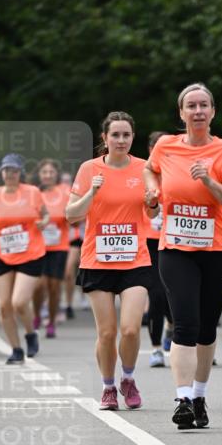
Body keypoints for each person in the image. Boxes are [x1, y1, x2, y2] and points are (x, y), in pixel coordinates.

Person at [143, 83, 222, 429]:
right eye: (192, 106)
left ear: (213, 112)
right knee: (185, 322)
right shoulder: (166, 146)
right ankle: (183, 398)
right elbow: (149, 169)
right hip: (174, 248)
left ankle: (200, 396)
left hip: (216, 250)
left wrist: (210, 183)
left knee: (205, 328)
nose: (198, 111)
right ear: (182, 113)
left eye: (204, 105)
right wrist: (153, 191)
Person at [66, 111, 152, 411]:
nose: (121, 140)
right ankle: (108, 386)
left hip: (135, 260)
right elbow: (71, 214)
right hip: (97, 260)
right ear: (105, 138)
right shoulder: (89, 169)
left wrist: (153, 200)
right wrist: (93, 190)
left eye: (126, 135)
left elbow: (152, 213)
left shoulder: (144, 168)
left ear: (132, 138)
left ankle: (127, 378)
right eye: (115, 135)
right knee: (106, 332)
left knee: (130, 329)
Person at [0, 153, 48, 364]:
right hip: (2, 254)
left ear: (20, 173)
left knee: (19, 302)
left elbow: (44, 214)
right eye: (7, 170)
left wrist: (43, 222)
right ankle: (16, 349)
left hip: (30, 253)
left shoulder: (32, 192)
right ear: (2, 173)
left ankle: (30, 333)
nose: (10, 174)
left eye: (14, 170)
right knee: (4, 305)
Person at [32, 159, 70, 338]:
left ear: (56, 175)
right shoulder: (33, 193)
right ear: (39, 175)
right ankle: (37, 314)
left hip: (59, 245)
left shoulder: (64, 193)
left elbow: (74, 215)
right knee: (39, 285)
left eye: (51, 172)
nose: (47, 175)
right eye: (44, 172)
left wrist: (68, 216)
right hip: (37, 246)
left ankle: (52, 321)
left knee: (54, 286)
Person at [145, 130, 174, 368]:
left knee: (174, 294)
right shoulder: (142, 175)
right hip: (150, 242)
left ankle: (172, 326)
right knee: (155, 295)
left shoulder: (177, 173)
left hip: (175, 240)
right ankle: (155, 349)